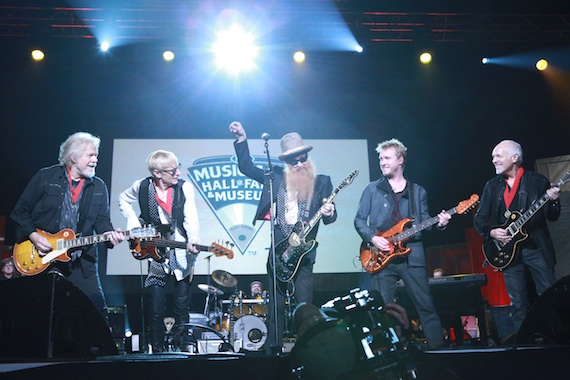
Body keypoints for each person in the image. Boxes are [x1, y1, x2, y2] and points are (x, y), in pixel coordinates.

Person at [229, 121, 337, 354]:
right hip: (279, 251)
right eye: (293, 160)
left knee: (304, 305)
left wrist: (330, 211)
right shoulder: (274, 177)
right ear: (285, 162)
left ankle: (306, 350)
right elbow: (246, 167)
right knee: (276, 305)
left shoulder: (322, 182)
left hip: (305, 254)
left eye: (302, 158)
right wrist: (241, 139)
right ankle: (273, 349)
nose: (299, 163)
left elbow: (330, 216)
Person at [10, 132, 125, 319]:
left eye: (96, 155)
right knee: (41, 315)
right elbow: (20, 212)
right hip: (43, 257)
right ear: (73, 157)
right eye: (90, 155)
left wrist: (111, 235)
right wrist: (34, 236)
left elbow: (102, 221)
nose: (95, 160)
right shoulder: (46, 177)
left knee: (96, 313)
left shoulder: (99, 187)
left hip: (82, 262)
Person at [354, 138, 450, 350]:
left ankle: (439, 353)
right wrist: (373, 238)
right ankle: (392, 356)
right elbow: (359, 220)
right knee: (385, 311)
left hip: (411, 255)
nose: (382, 162)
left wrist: (440, 223)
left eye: (387, 158)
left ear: (401, 160)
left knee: (426, 307)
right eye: (380, 158)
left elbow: (426, 223)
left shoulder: (418, 192)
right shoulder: (372, 190)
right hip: (380, 257)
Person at [473, 139, 560, 334]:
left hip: (536, 248)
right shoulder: (492, 186)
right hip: (508, 253)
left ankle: (556, 337)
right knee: (517, 303)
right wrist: (491, 232)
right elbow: (479, 218)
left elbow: (552, 217)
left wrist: (554, 202)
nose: (494, 160)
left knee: (548, 295)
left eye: (498, 156)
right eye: (493, 157)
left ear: (514, 158)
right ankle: (523, 344)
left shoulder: (537, 181)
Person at [118, 150, 200, 353]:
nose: (178, 173)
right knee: (156, 306)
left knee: (182, 305)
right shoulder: (142, 186)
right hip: (154, 251)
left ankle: (184, 349)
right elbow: (123, 198)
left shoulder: (184, 188)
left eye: (177, 168)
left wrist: (194, 239)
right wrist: (134, 223)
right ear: (157, 172)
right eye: (172, 170)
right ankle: (157, 350)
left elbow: (191, 217)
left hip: (181, 252)